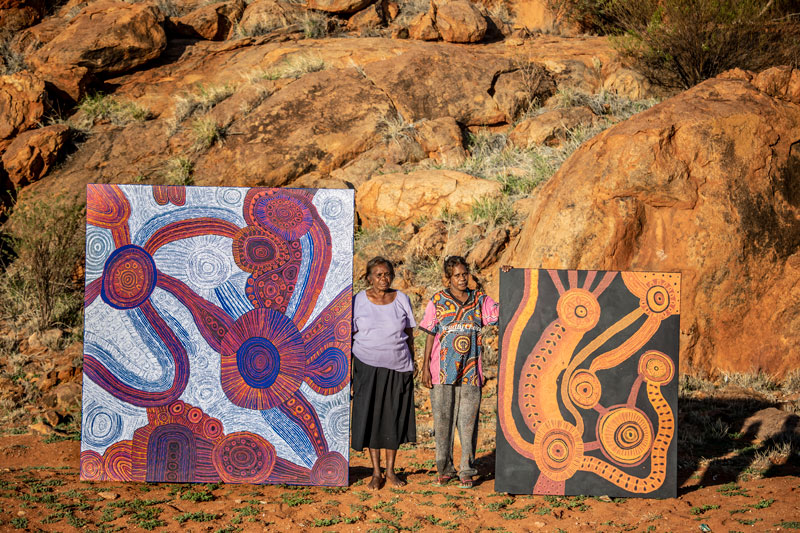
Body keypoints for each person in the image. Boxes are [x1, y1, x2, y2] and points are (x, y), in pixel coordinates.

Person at [419, 256, 499, 489]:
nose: (462, 278)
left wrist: (509, 274)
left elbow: (502, 310)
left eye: (465, 274)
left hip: (471, 371)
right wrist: (425, 367)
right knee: (443, 421)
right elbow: (430, 334)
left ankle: (466, 469)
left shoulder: (479, 300)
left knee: (468, 422)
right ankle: (444, 469)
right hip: (441, 371)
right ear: (448, 278)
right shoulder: (438, 300)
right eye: (457, 275)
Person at [351, 256, 417, 490]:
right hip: (367, 366)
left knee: (393, 418)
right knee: (371, 418)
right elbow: (347, 334)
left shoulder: (402, 299)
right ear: (369, 277)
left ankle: (390, 471)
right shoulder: (358, 300)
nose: (383, 278)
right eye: (378, 275)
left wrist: (414, 360)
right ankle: (376, 472)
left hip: (398, 366)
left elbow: (409, 333)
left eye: (387, 274)